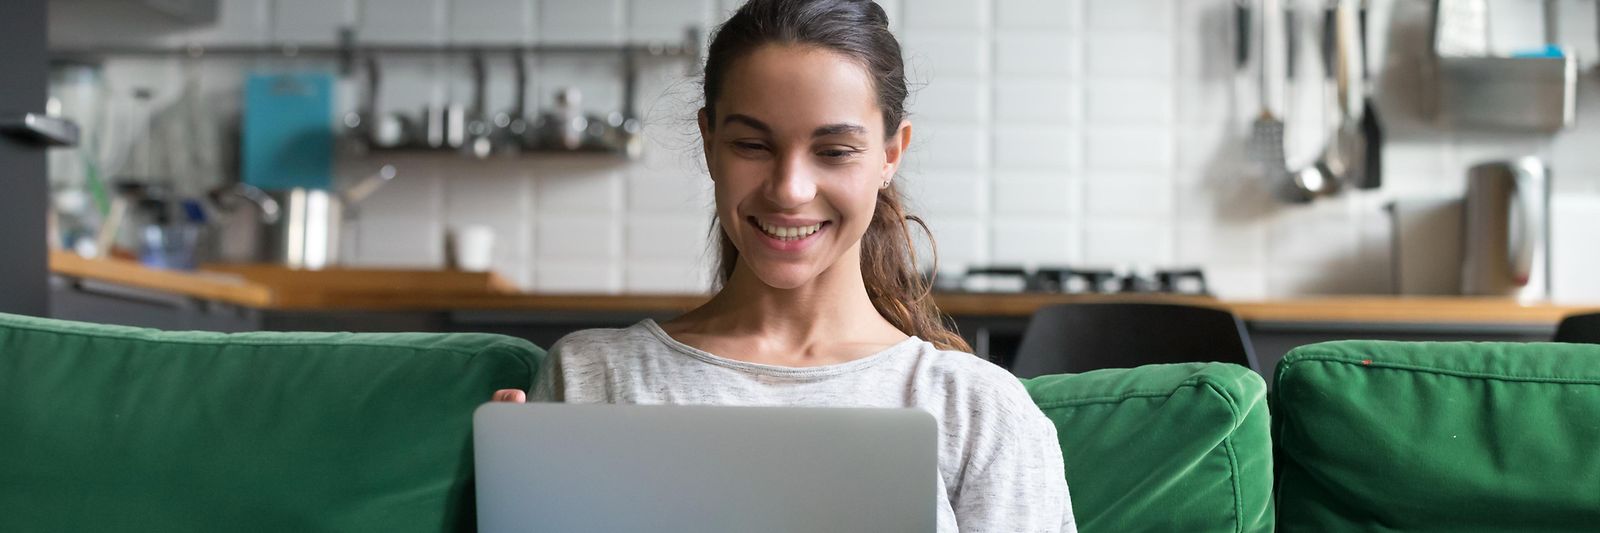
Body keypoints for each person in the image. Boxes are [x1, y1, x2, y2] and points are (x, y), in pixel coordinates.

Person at [492, 0, 1074, 530]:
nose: (790, 190)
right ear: (709, 142)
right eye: (753, 145)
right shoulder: (592, 375)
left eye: (834, 151)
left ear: (891, 155)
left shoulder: (978, 409)